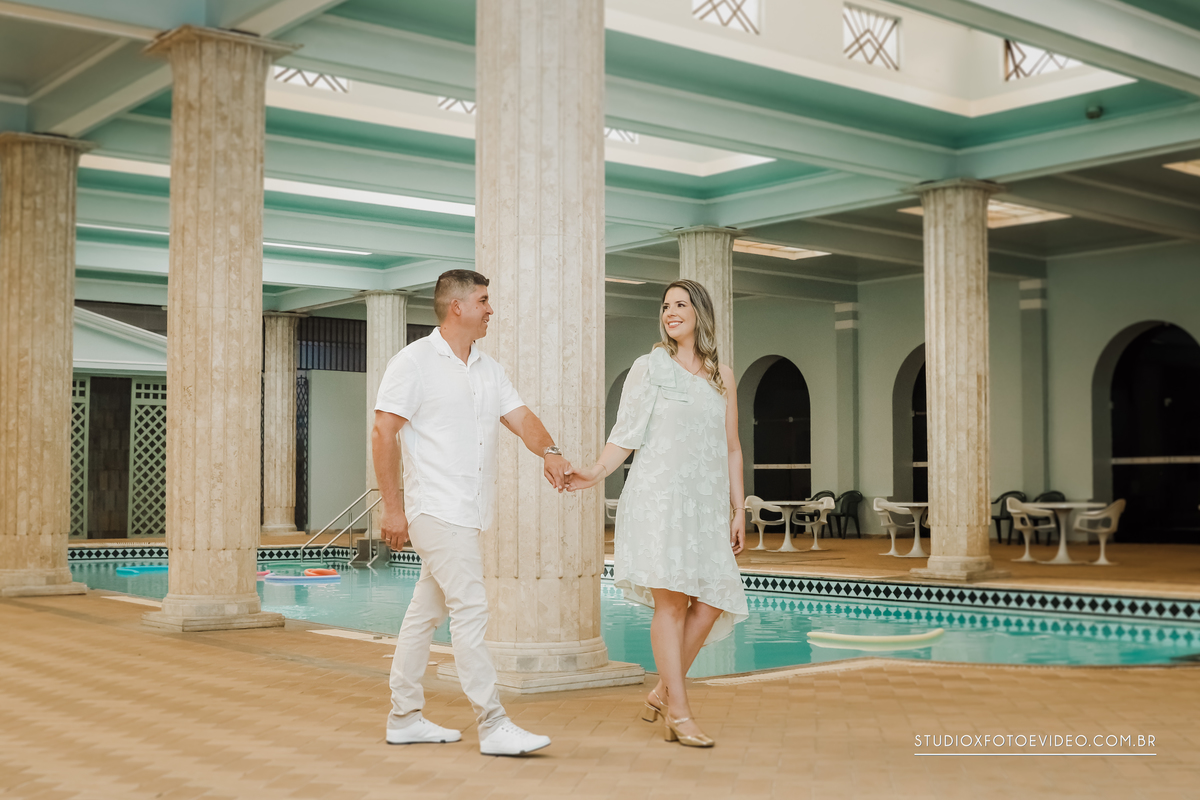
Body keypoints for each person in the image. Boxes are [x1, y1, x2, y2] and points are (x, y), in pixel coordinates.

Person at [372, 269, 570, 757]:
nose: (490, 309)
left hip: (468, 511)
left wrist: (550, 452)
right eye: (483, 300)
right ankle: (493, 723)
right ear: (456, 306)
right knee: (471, 608)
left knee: (426, 613)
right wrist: (393, 509)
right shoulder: (413, 362)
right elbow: (383, 432)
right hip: (435, 508)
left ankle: (404, 717)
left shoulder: (487, 368)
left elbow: (521, 417)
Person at [566, 279, 748, 748]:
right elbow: (625, 434)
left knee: (712, 600)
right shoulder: (648, 368)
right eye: (666, 306)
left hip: (706, 508)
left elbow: (732, 447)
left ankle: (663, 692)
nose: (670, 312)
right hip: (660, 501)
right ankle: (679, 712)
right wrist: (595, 472)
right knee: (672, 604)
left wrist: (738, 508)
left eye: (680, 304)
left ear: (700, 312)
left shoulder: (722, 376)